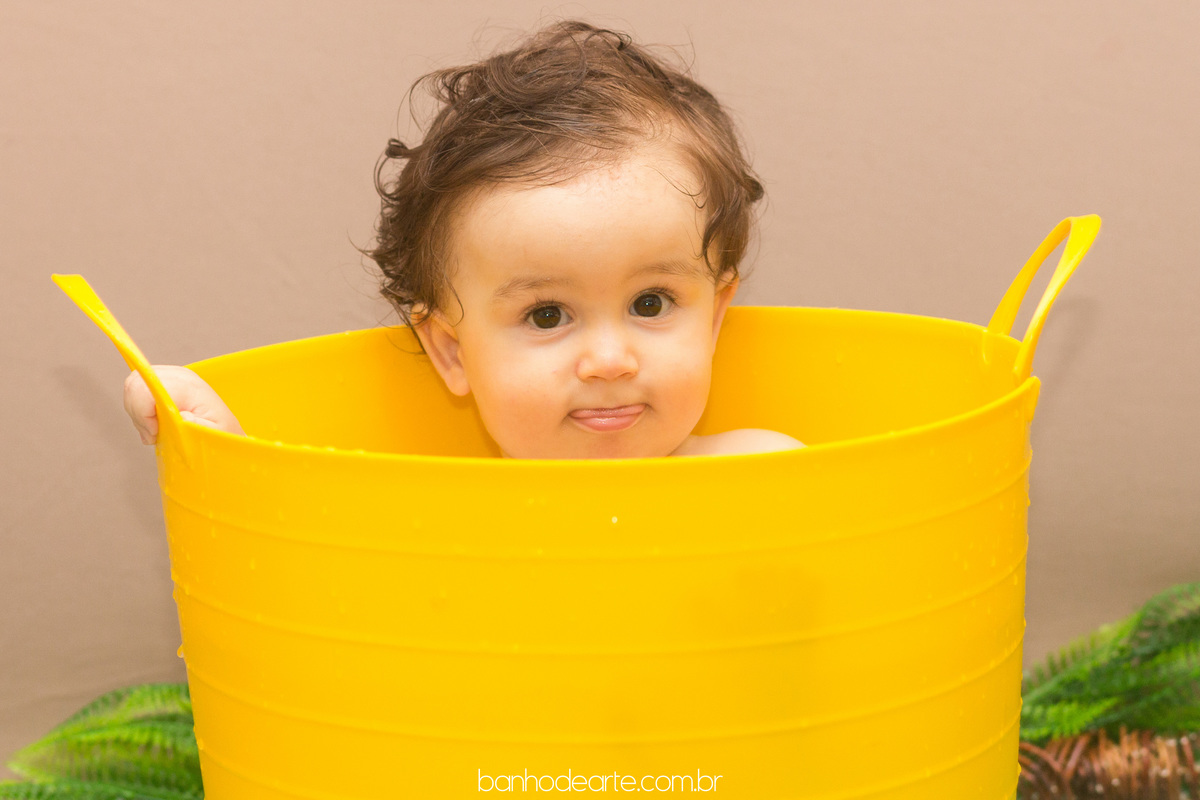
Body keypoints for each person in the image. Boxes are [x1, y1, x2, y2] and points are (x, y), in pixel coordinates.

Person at [124, 20, 803, 459]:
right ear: (451, 350)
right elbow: (307, 561)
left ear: (714, 317)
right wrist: (215, 445)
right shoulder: (438, 512)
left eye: (651, 303)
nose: (609, 359)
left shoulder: (764, 473)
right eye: (547, 314)